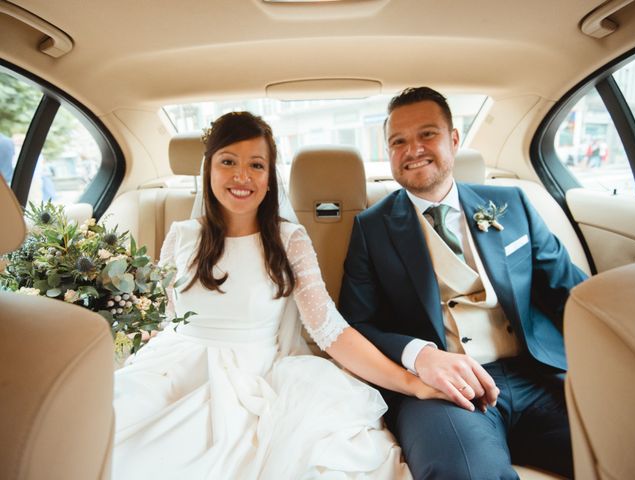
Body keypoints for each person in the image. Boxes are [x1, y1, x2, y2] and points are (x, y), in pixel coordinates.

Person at [113, 111, 443, 479]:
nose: (242, 176)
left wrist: (410, 381)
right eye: (228, 162)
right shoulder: (181, 235)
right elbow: (165, 319)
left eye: (256, 165)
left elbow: (330, 331)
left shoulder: (289, 242)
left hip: (257, 384)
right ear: (209, 170)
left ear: (270, 178)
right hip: (174, 372)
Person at [339, 87, 588, 479]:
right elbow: (356, 324)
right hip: (444, 392)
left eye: (427, 135)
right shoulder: (371, 228)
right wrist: (421, 355)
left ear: (453, 140)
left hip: (535, 374)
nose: (413, 149)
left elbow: (572, 293)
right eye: (398, 141)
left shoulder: (514, 204)